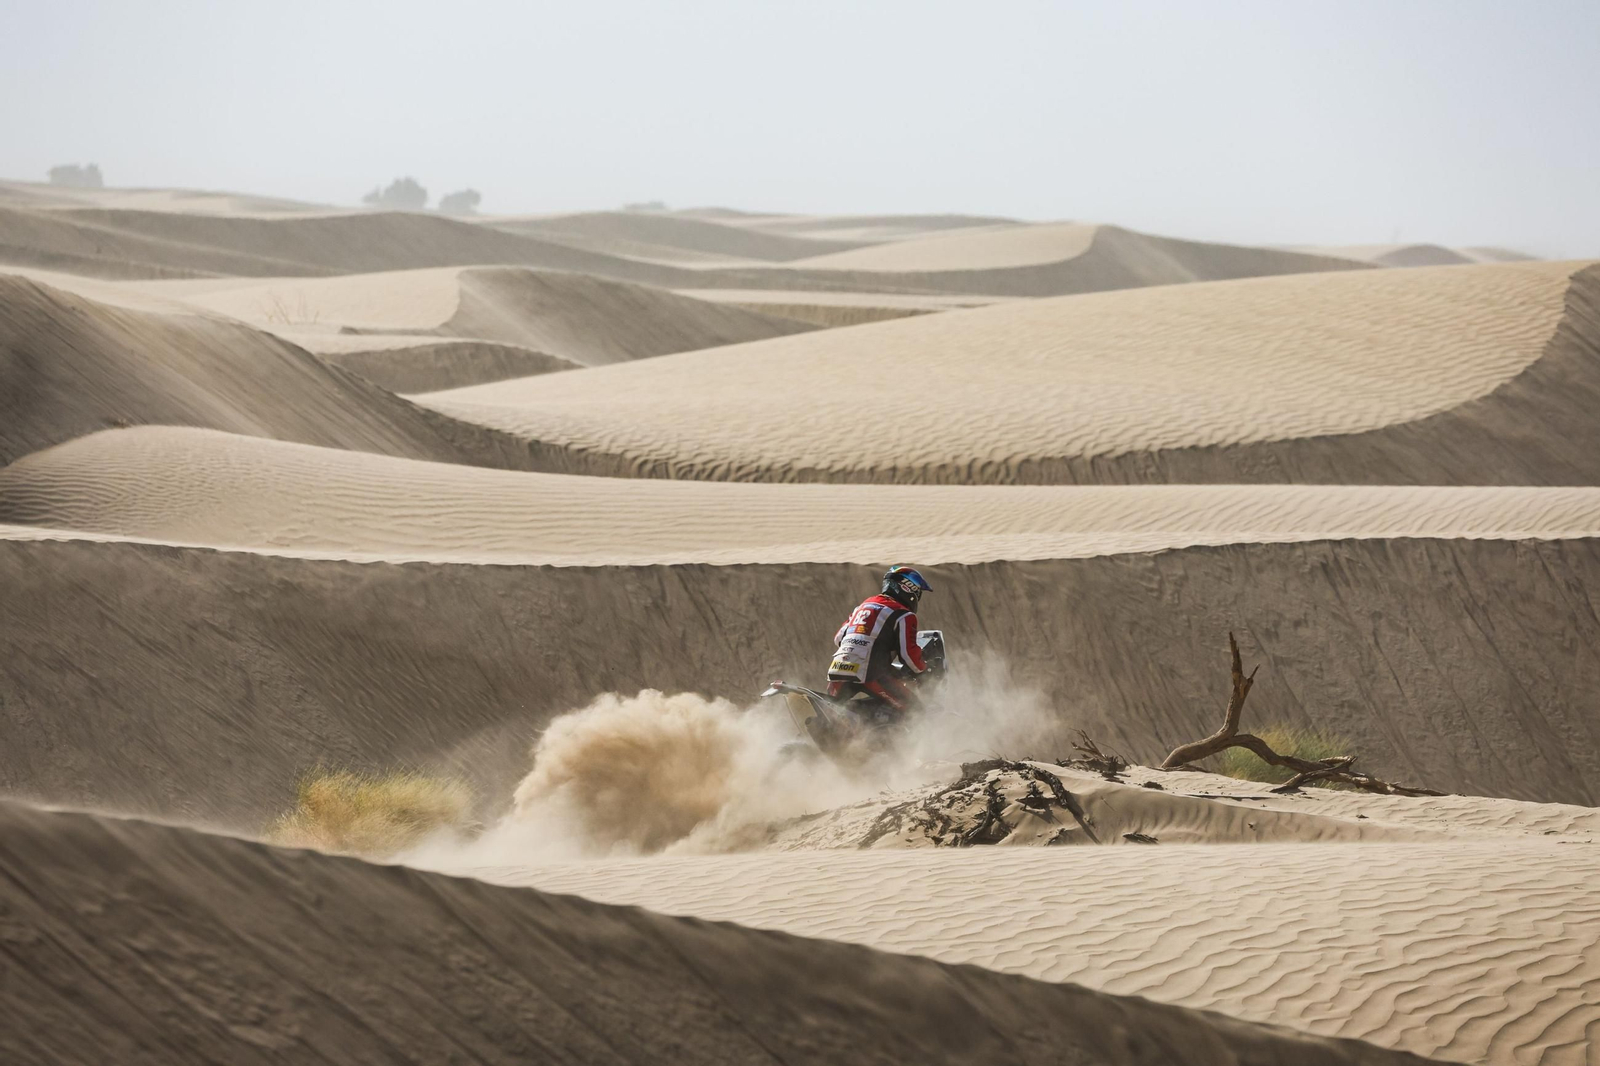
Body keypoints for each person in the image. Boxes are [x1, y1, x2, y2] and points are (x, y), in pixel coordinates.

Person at [826, 565, 933, 716]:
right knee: (916, 712)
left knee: (831, 713)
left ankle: (856, 723)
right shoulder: (904, 615)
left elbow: (838, 638)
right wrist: (924, 669)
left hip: (838, 669)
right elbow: (909, 656)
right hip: (871, 674)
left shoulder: (862, 607)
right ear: (909, 589)